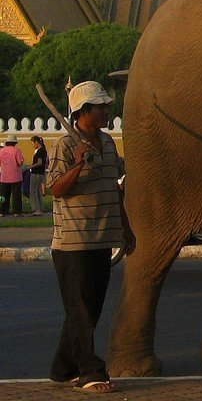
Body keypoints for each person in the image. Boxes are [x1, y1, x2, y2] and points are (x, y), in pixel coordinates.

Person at [46, 81, 134, 394]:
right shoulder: (65, 146)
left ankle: (63, 367)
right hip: (73, 241)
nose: (107, 111)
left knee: (89, 309)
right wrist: (79, 162)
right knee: (80, 310)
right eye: (101, 107)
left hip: (103, 238)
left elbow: (113, 188)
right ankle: (90, 371)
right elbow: (56, 189)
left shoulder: (109, 143)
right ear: (84, 112)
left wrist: (125, 228)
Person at [0, 133, 25, 215]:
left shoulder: (1, 151)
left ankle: (3, 212)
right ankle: (17, 212)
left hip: (4, 177)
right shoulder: (17, 150)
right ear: (14, 143)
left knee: (4, 196)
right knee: (16, 196)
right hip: (16, 177)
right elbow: (20, 162)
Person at [28, 135, 48, 215]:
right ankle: (40, 208)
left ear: (36, 142)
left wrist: (29, 166)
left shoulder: (40, 151)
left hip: (36, 173)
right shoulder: (44, 150)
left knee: (33, 191)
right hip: (41, 173)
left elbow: (39, 163)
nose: (33, 145)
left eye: (33, 143)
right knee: (38, 191)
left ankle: (36, 209)